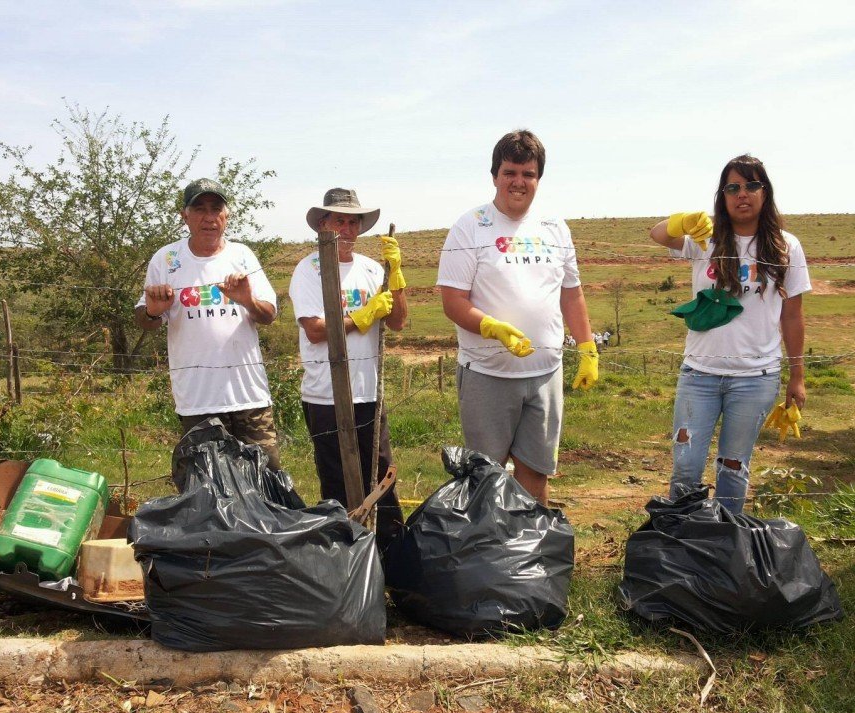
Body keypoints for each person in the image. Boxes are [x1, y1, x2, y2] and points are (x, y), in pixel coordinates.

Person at [437, 129, 598, 505]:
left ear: (538, 178)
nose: (518, 182)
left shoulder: (554, 228)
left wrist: (588, 346)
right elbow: (452, 300)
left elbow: (571, 293)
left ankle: (532, 552)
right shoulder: (471, 226)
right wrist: (490, 326)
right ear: (494, 175)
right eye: (510, 172)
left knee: (536, 474)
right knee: (486, 476)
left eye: (528, 174)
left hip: (545, 373)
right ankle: (490, 554)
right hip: (487, 374)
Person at [649, 154, 810, 514]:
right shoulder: (705, 240)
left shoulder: (786, 246)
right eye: (732, 187)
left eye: (752, 185)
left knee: (734, 468)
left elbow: (793, 316)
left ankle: (725, 544)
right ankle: (683, 541)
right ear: (722, 196)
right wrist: (684, 221)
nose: (743, 194)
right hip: (699, 375)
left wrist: (797, 377)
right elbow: (657, 234)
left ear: (765, 193)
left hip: (756, 378)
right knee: (686, 468)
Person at [288, 188, 408, 550]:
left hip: (369, 391)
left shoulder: (372, 269)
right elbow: (315, 330)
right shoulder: (309, 269)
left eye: (353, 221)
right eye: (339, 220)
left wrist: (397, 276)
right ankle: (342, 557)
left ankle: (390, 559)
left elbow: (400, 322)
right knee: (337, 482)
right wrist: (361, 316)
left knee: (381, 477)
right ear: (322, 225)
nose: (347, 228)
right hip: (325, 395)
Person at [135, 178, 281, 468]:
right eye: (199, 208)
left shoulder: (242, 255)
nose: (209, 217)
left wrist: (246, 299)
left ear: (226, 216)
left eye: (216, 209)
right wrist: (153, 310)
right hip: (197, 399)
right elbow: (146, 321)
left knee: (268, 479)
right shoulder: (166, 259)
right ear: (184, 216)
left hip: (248, 395)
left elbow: (269, 315)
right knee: (206, 488)